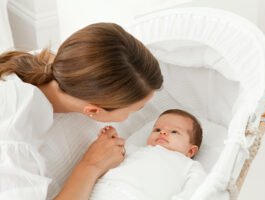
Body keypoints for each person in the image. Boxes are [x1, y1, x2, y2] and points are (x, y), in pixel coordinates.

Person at [0, 23, 163, 200]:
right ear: (93, 111)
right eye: (135, 109)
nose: (135, 113)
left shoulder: (59, 65)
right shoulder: (13, 136)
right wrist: (91, 165)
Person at [90, 109, 206, 200]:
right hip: (106, 189)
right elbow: (110, 158)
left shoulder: (190, 166)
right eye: (157, 129)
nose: (163, 132)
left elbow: (196, 191)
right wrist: (109, 139)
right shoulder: (134, 150)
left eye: (174, 131)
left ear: (190, 151)